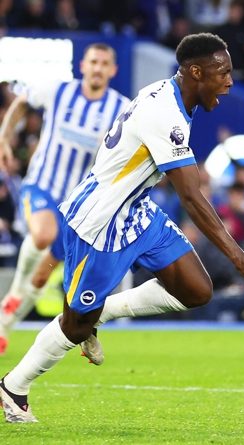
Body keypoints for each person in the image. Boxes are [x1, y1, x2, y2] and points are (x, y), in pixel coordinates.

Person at [0, 33, 244, 423]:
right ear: (195, 72)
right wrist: (238, 256)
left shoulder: (170, 92)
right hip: (101, 221)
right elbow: (192, 197)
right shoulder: (167, 114)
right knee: (74, 326)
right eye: (223, 73)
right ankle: (14, 387)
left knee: (196, 290)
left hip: (137, 212)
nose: (229, 81)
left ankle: (102, 313)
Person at [0, 43, 130, 355]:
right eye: (93, 61)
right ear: (83, 65)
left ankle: (6, 321)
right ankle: (11, 300)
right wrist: (3, 138)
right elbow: (21, 103)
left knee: (42, 276)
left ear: (112, 70)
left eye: (104, 63)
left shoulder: (121, 108)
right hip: (42, 186)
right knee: (43, 235)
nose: (97, 68)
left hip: (77, 208)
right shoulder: (58, 91)